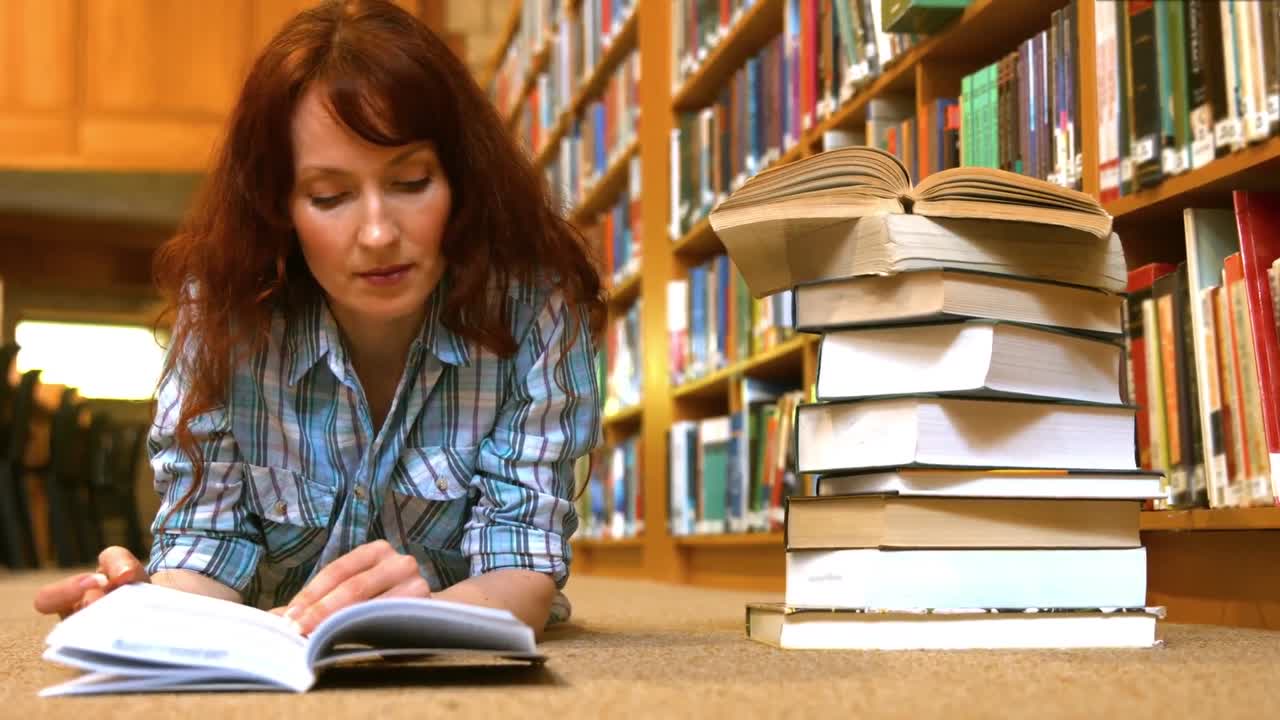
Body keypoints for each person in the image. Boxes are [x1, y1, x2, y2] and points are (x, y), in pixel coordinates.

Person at [33, 0, 603, 640]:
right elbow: (205, 546)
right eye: (329, 197)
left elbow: (522, 569)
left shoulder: (536, 305)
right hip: (278, 637)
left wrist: (400, 622)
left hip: (451, 629)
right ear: (280, 209)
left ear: (462, 183)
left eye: (412, 182)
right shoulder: (220, 314)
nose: (380, 233)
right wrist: (146, 609)